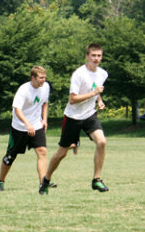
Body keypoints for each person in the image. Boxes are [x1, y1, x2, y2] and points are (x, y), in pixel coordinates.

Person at [41, 43, 109, 193]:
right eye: (93, 55)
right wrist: (93, 94)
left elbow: (95, 88)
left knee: (102, 141)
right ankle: (46, 180)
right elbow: (72, 99)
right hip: (73, 117)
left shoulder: (103, 74)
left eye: (99, 56)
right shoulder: (79, 74)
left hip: (90, 114)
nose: (96, 59)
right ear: (87, 56)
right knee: (61, 154)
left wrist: (99, 100)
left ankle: (96, 180)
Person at [0, 66, 51, 194]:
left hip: (36, 125)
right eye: (41, 78)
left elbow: (45, 103)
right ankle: (1, 181)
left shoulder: (46, 87)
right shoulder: (24, 90)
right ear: (33, 78)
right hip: (19, 127)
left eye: (44, 78)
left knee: (42, 152)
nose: (43, 81)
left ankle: (42, 185)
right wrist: (27, 124)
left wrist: (44, 119)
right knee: (10, 157)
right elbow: (17, 109)